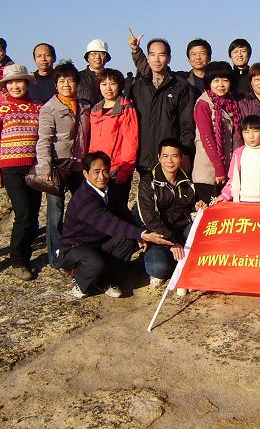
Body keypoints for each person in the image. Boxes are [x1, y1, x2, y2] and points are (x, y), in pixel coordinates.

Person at [57, 152, 173, 298]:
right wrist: (142, 234)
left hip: (101, 242)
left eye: (105, 171)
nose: (102, 176)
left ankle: (107, 281)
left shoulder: (110, 187)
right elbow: (109, 222)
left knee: (129, 240)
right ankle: (80, 281)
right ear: (86, 174)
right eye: (96, 172)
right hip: (77, 247)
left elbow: (123, 213)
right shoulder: (83, 198)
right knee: (94, 263)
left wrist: (138, 234)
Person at [0, 65, 41, 281]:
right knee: (23, 214)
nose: (15, 86)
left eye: (19, 81)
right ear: (5, 86)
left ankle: (26, 254)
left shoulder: (38, 107)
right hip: (11, 169)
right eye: (10, 83)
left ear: (26, 83)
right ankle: (17, 261)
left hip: (34, 168)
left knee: (33, 214)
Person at [35, 61, 91, 265]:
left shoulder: (85, 106)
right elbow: (44, 140)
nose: (66, 85)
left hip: (79, 165)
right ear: (55, 84)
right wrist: (44, 167)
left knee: (82, 207)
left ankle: (80, 245)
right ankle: (56, 254)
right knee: (55, 212)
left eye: (70, 80)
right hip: (57, 166)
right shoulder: (49, 108)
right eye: (61, 81)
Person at [137, 138, 207, 287]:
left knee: (202, 235)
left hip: (181, 230)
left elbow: (189, 208)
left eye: (174, 156)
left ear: (181, 158)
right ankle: (157, 258)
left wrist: (197, 207)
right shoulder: (148, 182)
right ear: (159, 157)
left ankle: (177, 258)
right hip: (159, 235)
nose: (169, 161)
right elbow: (150, 219)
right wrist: (172, 243)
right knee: (159, 269)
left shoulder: (187, 180)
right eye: (165, 156)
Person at [127, 31, 196, 175]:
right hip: (143, 158)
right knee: (146, 190)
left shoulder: (180, 86)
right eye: (152, 55)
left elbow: (187, 123)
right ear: (147, 58)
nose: (157, 60)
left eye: (161, 55)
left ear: (169, 58)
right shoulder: (138, 87)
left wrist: (185, 152)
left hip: (171, 159)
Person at [88, 68, 139, 219]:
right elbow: (92, 141)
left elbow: (131, 140)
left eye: (112, 83)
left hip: (116, 170)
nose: (108, 88)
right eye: (104, 84)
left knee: (117, 211)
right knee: (98, 211)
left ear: (120, 85)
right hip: (97, 169)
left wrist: (125, 170)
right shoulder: (95, 110)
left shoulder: (126, 108)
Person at [192, 61, 242, 203]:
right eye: (216, 80)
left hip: (228, 168)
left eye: (225, 80)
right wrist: (219, 169)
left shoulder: (232, 102)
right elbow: (206, 137)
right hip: (208, 170)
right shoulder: (203, 103)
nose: (220, 84)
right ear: (209, 82)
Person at [78, 39, 111, 107]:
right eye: (94, 53)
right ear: (88, 57)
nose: (97, 57)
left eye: (102, 54)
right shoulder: (77, 77)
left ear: (106, 58)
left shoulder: (113, 78)